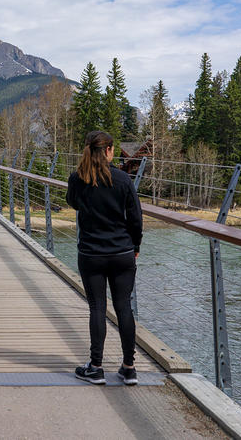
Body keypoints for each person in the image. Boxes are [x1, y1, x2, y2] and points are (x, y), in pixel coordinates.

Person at [66, 130, 143, 386]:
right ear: (109, 150)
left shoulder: (78, 179)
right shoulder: (123, 179)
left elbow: (74, 203)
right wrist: (135, 245)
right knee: (123, 307)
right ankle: (129, 368)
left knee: (97, 307)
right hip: (122, 252)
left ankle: (96, 367)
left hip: (91, 253)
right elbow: (135, 218)